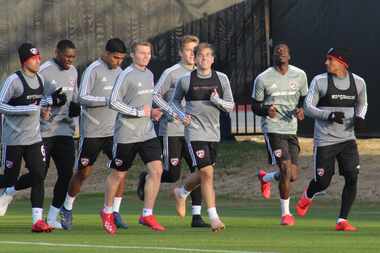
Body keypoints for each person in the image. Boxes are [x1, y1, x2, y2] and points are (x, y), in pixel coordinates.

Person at [136, 35, 209, 227]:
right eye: (188, 50)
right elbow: (155, 95)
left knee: (199, 170)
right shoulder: (172, 72)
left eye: (195, 50)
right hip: (173, 130)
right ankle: (146, 177)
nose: (192, 54)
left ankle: (196, 216)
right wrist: (172, 111)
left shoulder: (202, 72)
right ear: (180, 52)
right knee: (172, 174)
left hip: (194, 132)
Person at [60, 38, 129, 230]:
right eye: (116, 57)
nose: (118, 62)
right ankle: (67, 208)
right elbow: (82, 97)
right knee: (83, 172)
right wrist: (107, 100)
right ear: (106, 53)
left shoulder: (121, 72)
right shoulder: (93, 69)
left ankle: (114, 211)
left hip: (114, 132)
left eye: (122, 58)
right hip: (92, 132)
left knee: (120, 170)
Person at [296, 47, 367, 231]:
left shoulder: (358, 82)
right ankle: (308, 195)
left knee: (352, 177)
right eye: (326, 59)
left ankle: (342, 220)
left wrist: (360, 116)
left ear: (342, 63)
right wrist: (328, 115)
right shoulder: (319, 81)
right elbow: (308, 107)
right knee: (323, 183)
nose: (326, 63)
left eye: (330, 59)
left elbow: (363, 103)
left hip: (347, 140)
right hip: (325, 141)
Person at [10, 40, 78, 229]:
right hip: (43, 130)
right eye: (67, 56)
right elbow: (33, 97)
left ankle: (52, 217)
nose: (70, 60)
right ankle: (11, 191)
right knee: (39, 174)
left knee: (66, 174)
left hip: (65, 130)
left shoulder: (74, 71)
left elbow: (75, 96)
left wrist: (75, 107)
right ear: (57, 53)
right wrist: (50, 102)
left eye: (73, 57)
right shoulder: (44, 70)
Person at [101, 41, 165, 235]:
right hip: (126, 134)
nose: (146, 56)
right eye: (142, 53)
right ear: (133, 55)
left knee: (156, 170)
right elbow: (113, 102)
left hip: (146, 132)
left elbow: (148, 100)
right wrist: (138, 112)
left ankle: (147, 214)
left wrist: (153, 112)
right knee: (118, 174)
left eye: (148, 53)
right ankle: (106, 211)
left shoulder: (150, 74)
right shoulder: (126, 75)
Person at [0, 43, 66, 232]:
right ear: (24, 61)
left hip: (34, 138)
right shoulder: (13, 80)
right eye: (34, 58)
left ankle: (37, 221)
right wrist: (25, 110)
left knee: (38, 175)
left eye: (39, 57)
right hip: (13, 139)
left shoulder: (39, 79)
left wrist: (46, 111)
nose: (38, 60)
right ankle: (8, 190)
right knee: (9, 179)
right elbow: (1, 105)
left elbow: (38, 103)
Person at [171, 42, 235, 232]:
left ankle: (181, 192)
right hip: (194, 131)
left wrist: (217, 101)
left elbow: (231, 105)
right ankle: (214, 217)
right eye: (200, 55)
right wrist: (182, 116)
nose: (204, 58)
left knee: (203, 174)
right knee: (207, 173)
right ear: (195, 58)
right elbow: (173, 102)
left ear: (213, 59)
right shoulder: (185, 80)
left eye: (208, 55)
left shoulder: (221, 78)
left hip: (213, 133)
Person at [252, 43, 308, 226]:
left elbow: (305, 100)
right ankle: (286, 214)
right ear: (273, 56)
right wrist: (266, 110)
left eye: (284, 51)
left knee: (292, 175)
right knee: (284, 167)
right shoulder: (263, 78)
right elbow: (255, 106)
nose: (281, 53)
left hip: (291, 129)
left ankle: (266, 178)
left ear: (290, 55)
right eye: (278, 51)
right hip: (273, 128)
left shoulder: (300, 75)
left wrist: (301, 110)